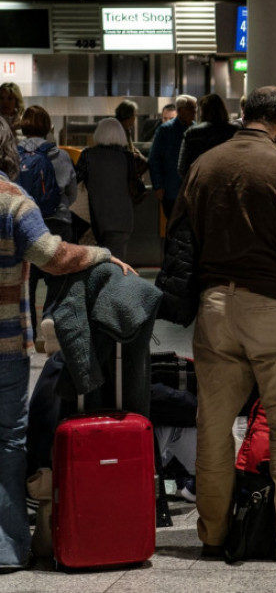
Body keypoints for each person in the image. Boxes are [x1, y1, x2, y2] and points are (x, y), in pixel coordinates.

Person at [173, 85, 276, 561]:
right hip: (271, 306)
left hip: (215, 305)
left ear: (246, 115)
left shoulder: (205, 164)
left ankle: (213, 533)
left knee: (215, 426)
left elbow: (182, 230)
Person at [0, 115, 133, 572]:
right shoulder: (14, 200)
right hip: (4, 347)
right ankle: (7, 548)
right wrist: (99, 253)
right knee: (7, 442)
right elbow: (51, 256)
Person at [20, 106, 78, 337]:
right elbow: (72, 194)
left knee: (27, 283)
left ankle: (29, 333)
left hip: (24, 225)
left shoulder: (12, 155)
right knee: (58, 281)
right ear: (48, 128)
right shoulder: (61, 155)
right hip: (57, 224)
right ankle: (50, 324)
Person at [75, 118, 144, 260]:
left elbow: (75, 181)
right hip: (121, 220)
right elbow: (137, 187)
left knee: (94, 264)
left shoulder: (88, 155)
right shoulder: (128, 157)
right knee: (117, 265)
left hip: (93, 220)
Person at [148, 94, 196, 220]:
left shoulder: (196, 129)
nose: (195, 113)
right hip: (172, 189)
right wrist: (158, 186)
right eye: (191, 109)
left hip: (189, 189)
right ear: (180, 111)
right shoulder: (166, 130)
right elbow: (154, 159)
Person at [177, 94, 239, 179]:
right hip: (227, 184)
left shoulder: (191, 133)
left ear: (203, 111)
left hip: (199, 184)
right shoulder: (235, 131)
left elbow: (181, 167)